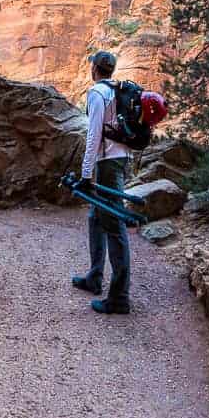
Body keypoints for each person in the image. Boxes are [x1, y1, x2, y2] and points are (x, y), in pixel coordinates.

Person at [72, 50, 131, 315]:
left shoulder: (98, 93)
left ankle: (119, 297)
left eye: (91, 65)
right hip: (119, 159)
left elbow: (94, 135)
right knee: (96, 218)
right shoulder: (117, 91)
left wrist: (86, 175)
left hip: (106, 163)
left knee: (113, 225)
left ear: (95, 68)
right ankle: (95, 276)